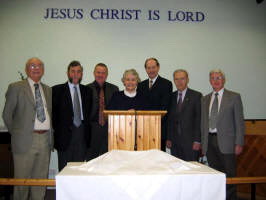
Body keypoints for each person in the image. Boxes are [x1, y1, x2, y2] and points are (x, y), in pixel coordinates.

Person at [2, 57, 53, 200]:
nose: (36, 68)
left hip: (45, 140)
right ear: (26, 69)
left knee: (40, 180)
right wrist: (18, 134)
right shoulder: (16, 87)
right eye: (32, 66)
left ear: (43, 70)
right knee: (21, 181)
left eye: (39, 66)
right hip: (24, 141)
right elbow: (7, 115)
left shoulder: (48, 90)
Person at [201, 69, 245, 200]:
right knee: (216, 174)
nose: (215, 81)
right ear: (210, 81)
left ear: (223, 80)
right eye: (213, 78)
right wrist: (203, 144)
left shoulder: (234, 97)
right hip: (209, 141)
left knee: (230, 176)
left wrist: (239, 142)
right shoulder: (205, 99)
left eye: (218, 78)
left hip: (228, 143)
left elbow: (239, 122)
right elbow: (203, 123)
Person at [52, 61, 92, 171]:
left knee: (78, 171)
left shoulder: (87, 91)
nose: (75, 74)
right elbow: (53, 116)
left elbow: (89, 114)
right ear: (68, 73)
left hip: (82, 134)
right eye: (73, 71)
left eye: (78, 72)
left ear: (82, 74)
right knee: (64, 171)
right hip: (64, 137)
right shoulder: (57, 90)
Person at [138, 58, 173, 151]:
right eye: (148, 68)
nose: (151, 70)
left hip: (159, 128)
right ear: (145, 69)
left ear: (158, 68)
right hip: (143, 129)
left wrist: (152, 121)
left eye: (153, 67)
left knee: (159, 159)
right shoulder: (140, 85)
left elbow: (165, 107)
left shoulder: (166, 84)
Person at [166, 69, 202, 161]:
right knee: (177, 169)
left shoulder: (196, 96)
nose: (179, 82)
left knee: (191, 169)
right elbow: (170, 119)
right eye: (176, 79)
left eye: (182, 79)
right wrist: (169, 138)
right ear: (174, 81)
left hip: (191, 142)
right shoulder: (171, 96)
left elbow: (199, 120)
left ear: (187, 79)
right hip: (175, 142)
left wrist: (197, 140)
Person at [86, 63, 118, 160]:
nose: (100, 75)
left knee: (107, 159)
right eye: (98, 72)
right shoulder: (86, 89)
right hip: (92, 129)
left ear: (107, 74)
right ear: (94, 73)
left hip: (109, 129)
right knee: (91, 159)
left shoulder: (114, 89)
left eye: (103, 73)